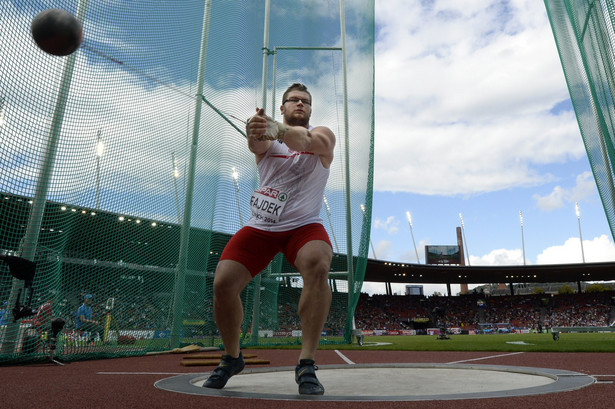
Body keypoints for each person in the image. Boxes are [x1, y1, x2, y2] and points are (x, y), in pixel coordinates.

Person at [203, 83, 335, 395]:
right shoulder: (269, 139)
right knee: (223, 283)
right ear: (282, 107)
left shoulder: (324, 135)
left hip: (304, 225)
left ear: (311, 109)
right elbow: (256, 142)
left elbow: (308, 140)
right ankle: (233, 356)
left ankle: (306, 363)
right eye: (293, 100)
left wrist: (277, 129)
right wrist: (255, 129)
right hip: (262, 225)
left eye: (305, 101)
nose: (300, 104)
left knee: (318, 265)